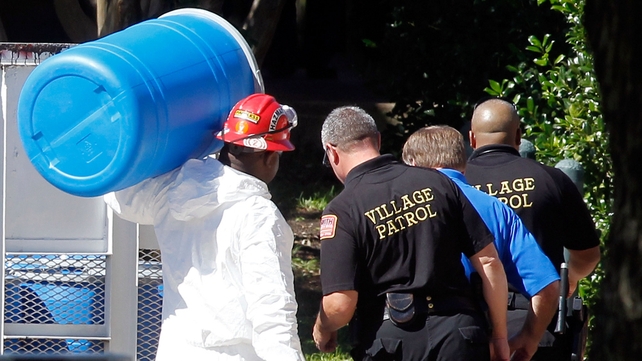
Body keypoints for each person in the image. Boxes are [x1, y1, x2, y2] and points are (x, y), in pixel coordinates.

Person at [104, 93, 305, 361]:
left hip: (176, 350)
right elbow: (272, 310)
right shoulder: (258, 215)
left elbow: (120, 196)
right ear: (270, 157)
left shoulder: (174, 191)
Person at [312, 106, 510, 361]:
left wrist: (321, 327)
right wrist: (500, 336)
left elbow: (340, 305)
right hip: (458, 335)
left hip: (392, 344)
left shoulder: (343, 210)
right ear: (378, 140)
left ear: (332, 151)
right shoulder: (439, 182)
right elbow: (488, 261)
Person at [402, 125, 561, 361]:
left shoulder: (399, 211)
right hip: (471, 339)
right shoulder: (497, 210)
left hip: (405, 333)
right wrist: (528, 337)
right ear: (463, 163)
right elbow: (546, 287)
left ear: (413, 165)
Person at [466, 98, 601, 360]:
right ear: (519, 135)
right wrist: (568, 280)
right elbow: (588, 254)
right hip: (538, 321)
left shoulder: (452, 187)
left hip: (472, 325)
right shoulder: (552, 179)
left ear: (471, 139)